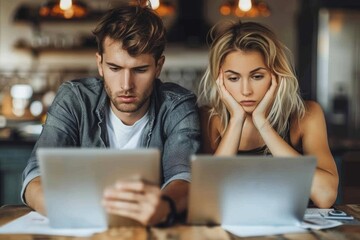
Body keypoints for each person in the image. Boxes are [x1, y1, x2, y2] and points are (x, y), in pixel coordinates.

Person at [21, 3, 201, 226]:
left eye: (140, 70)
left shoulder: (177, 105)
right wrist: (63, 208)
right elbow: (34, 175)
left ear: (158, 66)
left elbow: (183, 177)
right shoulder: (74, 99)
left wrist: (163, 205)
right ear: (100, 64)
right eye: (115, 68)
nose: (126, 85)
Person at [198, 20, 338, 208]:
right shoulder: (211, 118)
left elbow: (326, 196)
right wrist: (236, 120)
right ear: (220, 79)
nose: (246, 90)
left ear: (277, 74)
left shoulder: (307, 115)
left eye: (257, 76)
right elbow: (207, 198)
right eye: (233, 78)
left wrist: (263, 124)